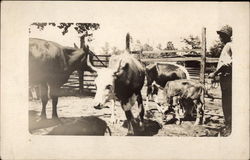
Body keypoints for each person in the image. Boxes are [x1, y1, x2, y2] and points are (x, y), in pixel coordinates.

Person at [209, 25, 232, 135]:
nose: (220, 38)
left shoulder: (228, 46)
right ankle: (228, 124)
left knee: (227, 102)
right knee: (227, 101)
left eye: (222, 35)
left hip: (227, 77)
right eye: (220, 35)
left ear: (226, 36)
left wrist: (214, 73)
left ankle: (229, 126)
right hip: (227, 76)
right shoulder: (229, 46)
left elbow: (227, 64)